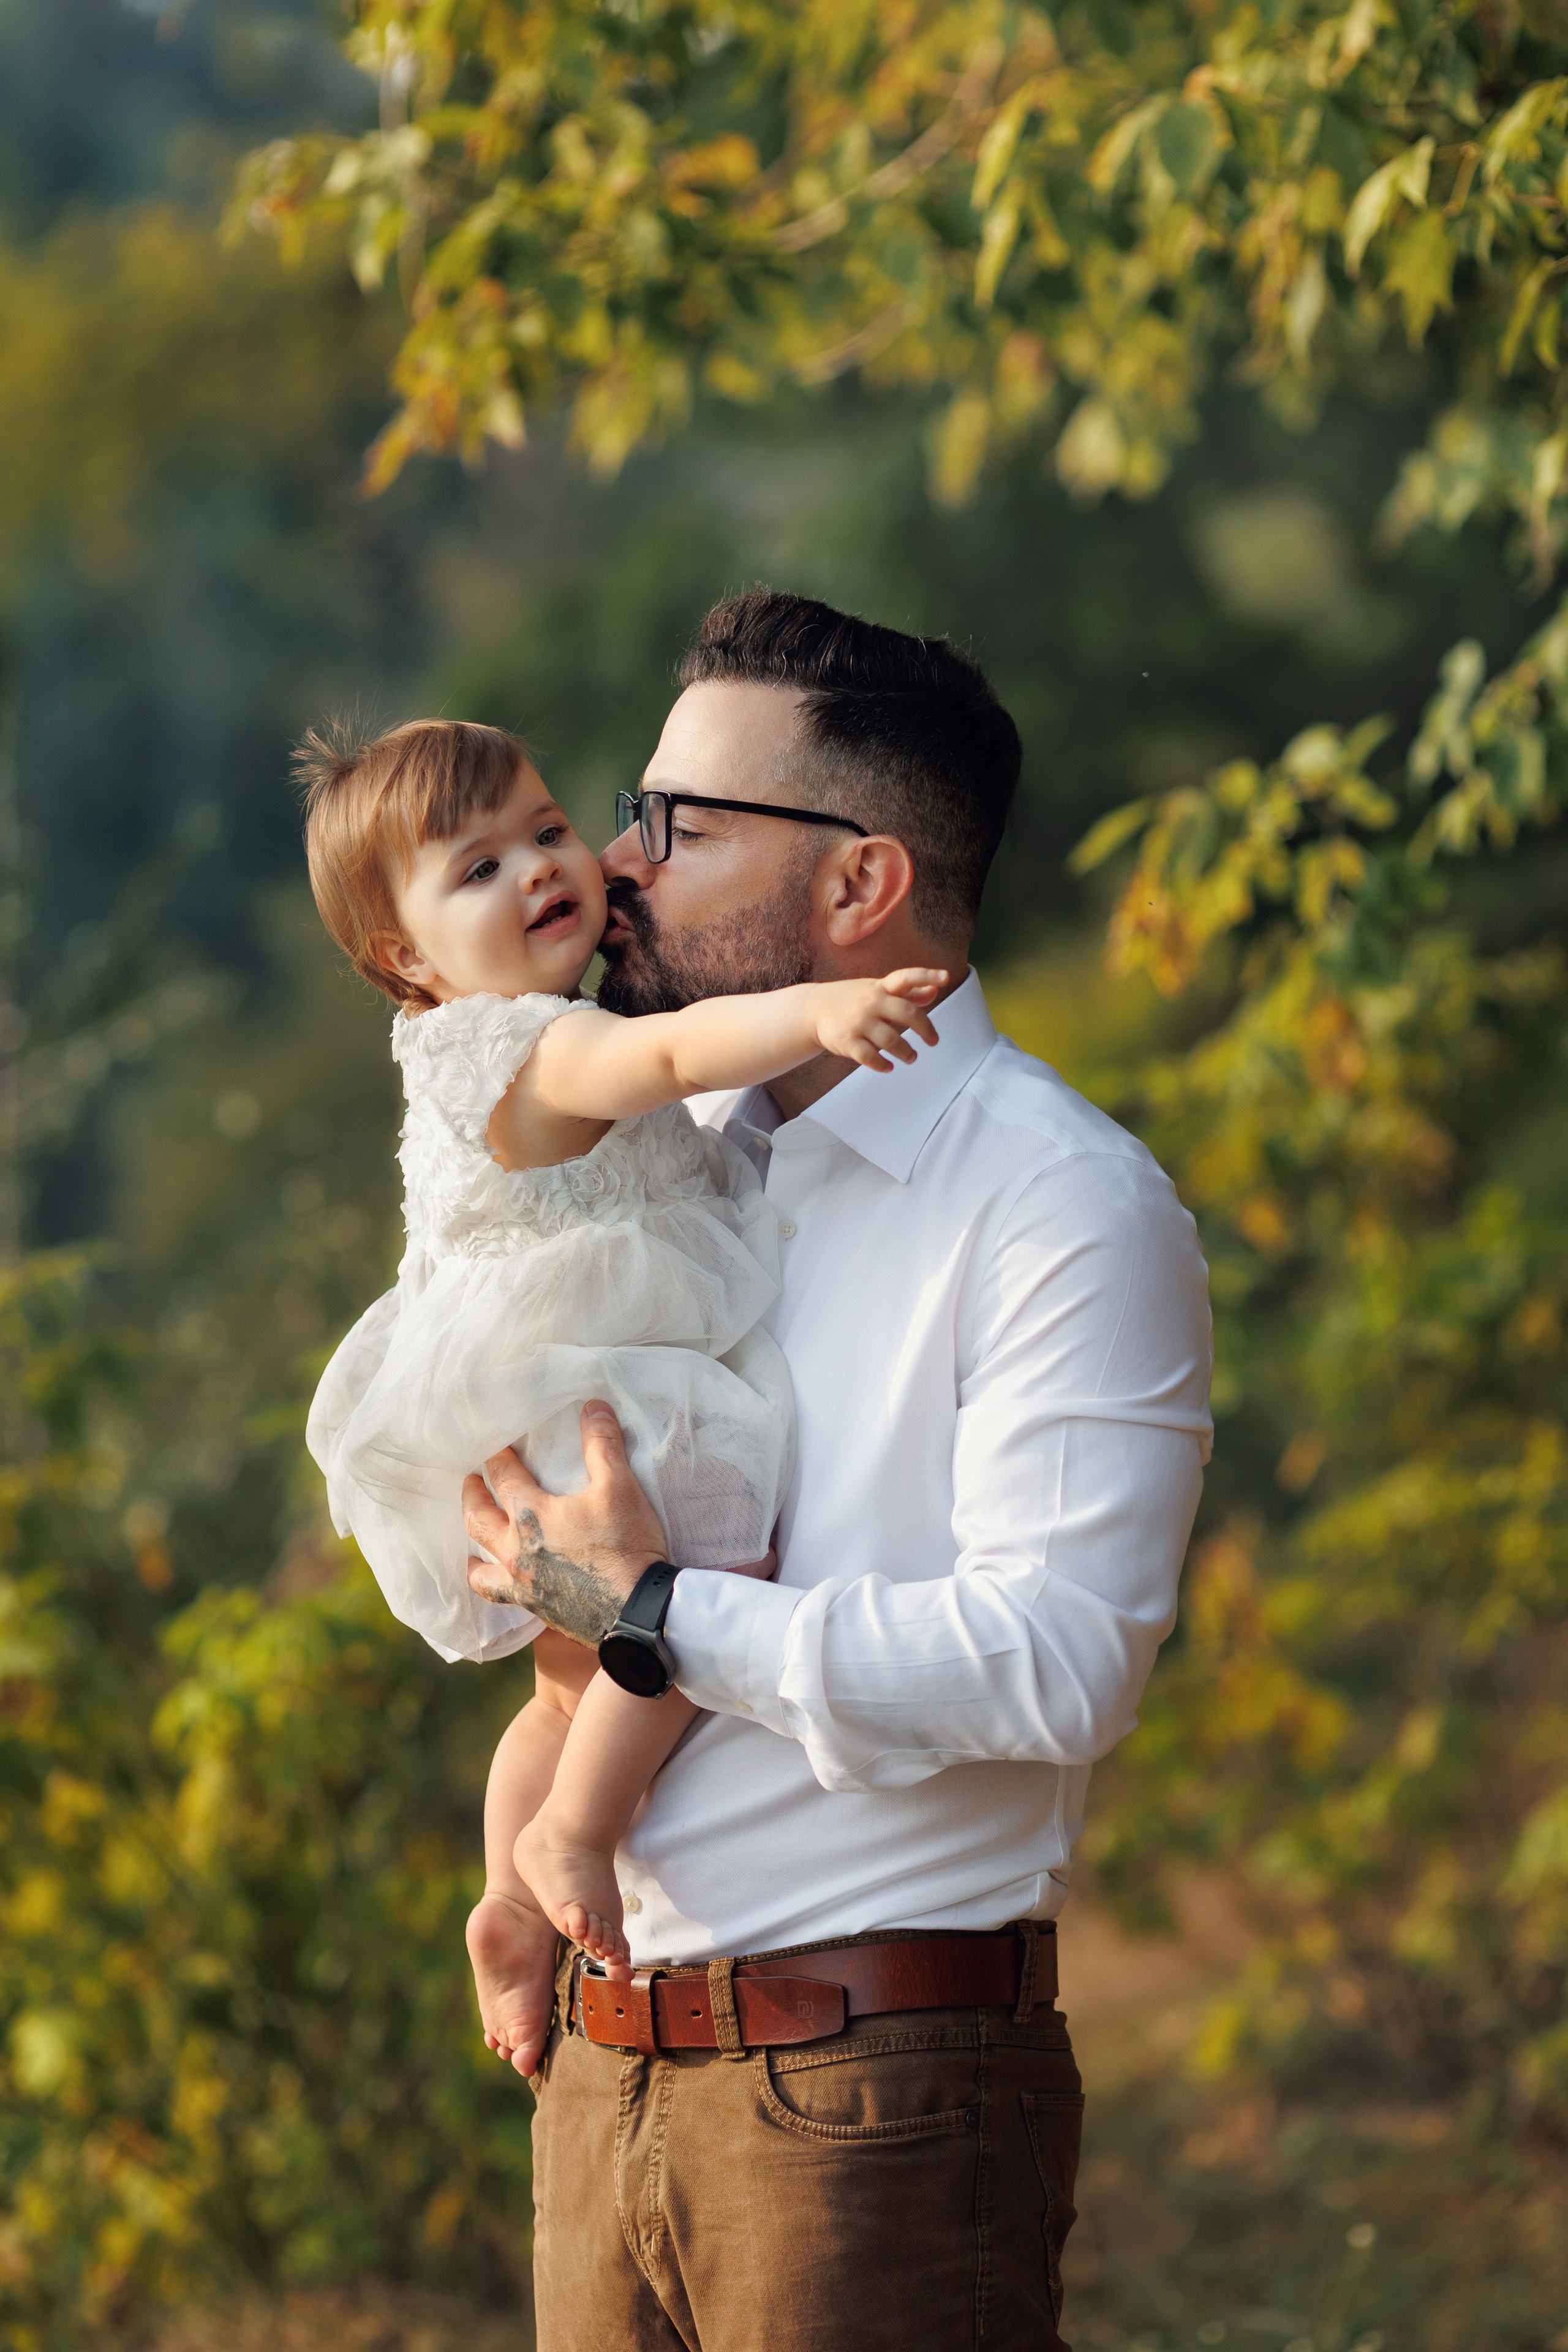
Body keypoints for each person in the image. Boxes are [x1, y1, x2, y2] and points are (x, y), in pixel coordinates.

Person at [459, 590, 1214, 2352]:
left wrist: (653, 1613)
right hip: (602, 2071)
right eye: (631, 812)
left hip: (873, 2098)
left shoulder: (1060, 1200)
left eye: (681, 826)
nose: (617, 863)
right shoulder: (659, 1161)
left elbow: (1062, 1659)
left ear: (861, 888)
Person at [297, 715, 947, 2054]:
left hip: (550, 1373)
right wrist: (813, 1010)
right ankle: (577, 1835)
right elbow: (655, 1061)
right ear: (405, 961)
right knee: (712, 1580)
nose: (541, 870)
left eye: (545, 832)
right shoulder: (519, 1045)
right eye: (475, 871)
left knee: (558, 1681)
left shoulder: (512, 1018)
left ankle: (505, 1903)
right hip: (594, 1385)